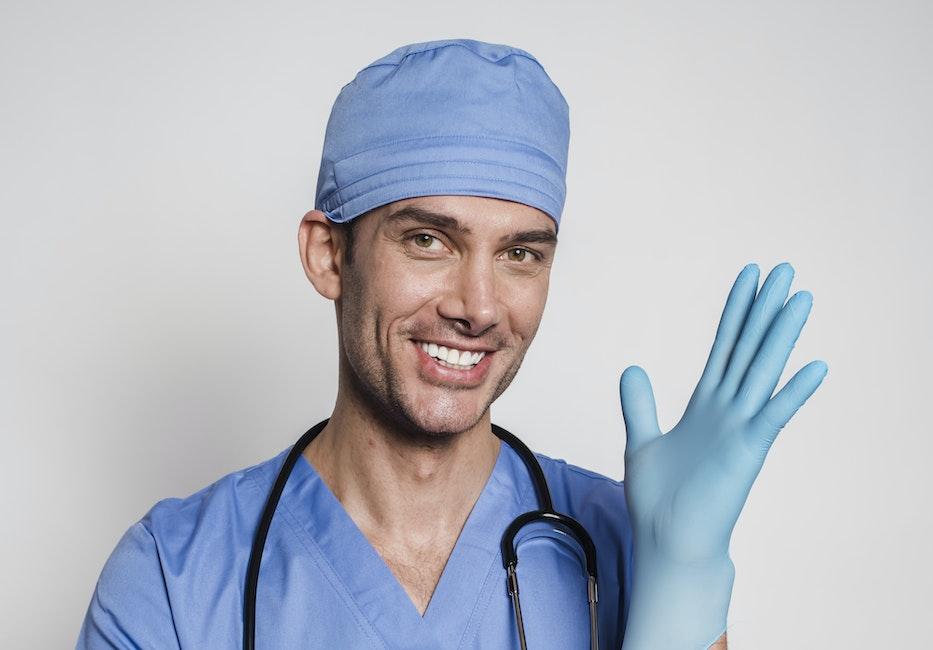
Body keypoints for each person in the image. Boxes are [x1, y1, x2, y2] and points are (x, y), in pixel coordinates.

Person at [77, 38, 827, 649]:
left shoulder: (631, 549)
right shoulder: (175, 578)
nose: (478, 307)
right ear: (328, 255)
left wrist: (684, 590)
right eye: (429, 240)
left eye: (520, 254)